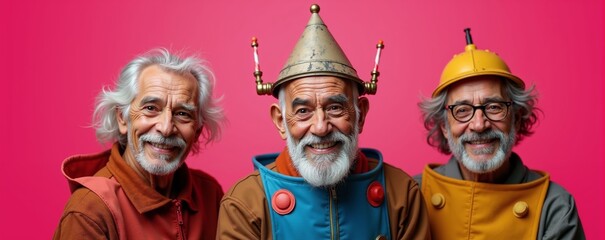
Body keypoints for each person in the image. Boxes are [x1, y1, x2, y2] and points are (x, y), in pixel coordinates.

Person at [216, 4, 430, 240]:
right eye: (304, 111)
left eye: (335, 108)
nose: (320, 127)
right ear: (280, 121)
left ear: (361, 114)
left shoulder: (402, 192)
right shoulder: (244, 203)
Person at [415, 28, 585, 239]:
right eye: (462, 111)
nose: (479, 124)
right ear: (444, 126)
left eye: (494, 107)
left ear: (516, 116)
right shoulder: (413, 195)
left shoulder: (555, 207)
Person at [54, 48, 225, 239]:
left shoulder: (210, 193)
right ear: (122, 118)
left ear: (197, 131)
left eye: (182, 114)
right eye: (151, 108)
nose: (166, 128)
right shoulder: (89, 211)